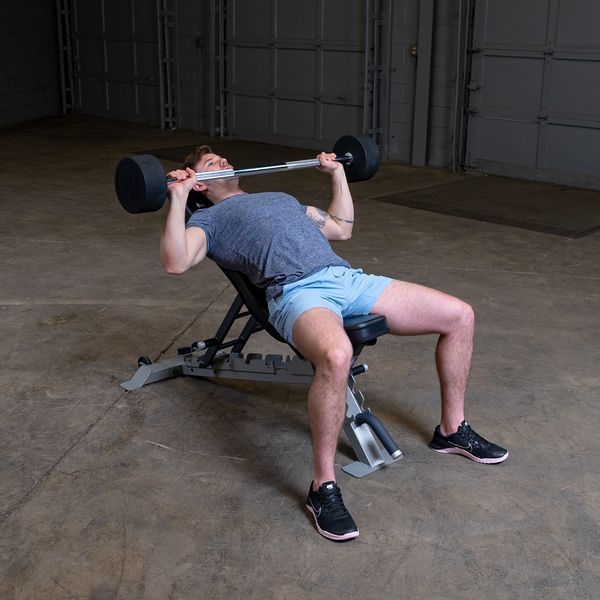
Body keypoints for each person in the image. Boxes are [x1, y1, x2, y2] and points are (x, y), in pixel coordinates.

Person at [160, 144, 509, 542]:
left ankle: (452, 429)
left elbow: (342, 228)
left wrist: (338, 173)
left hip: (348, 279)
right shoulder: (209, 219)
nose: (224, 162)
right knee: (337, 354)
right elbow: (176, 262)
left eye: (223, 159)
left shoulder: (282, 198)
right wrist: (178, 197)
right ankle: (323, 487)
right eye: (211, 163)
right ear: (200, 183)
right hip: (297, 293)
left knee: (460, 315)